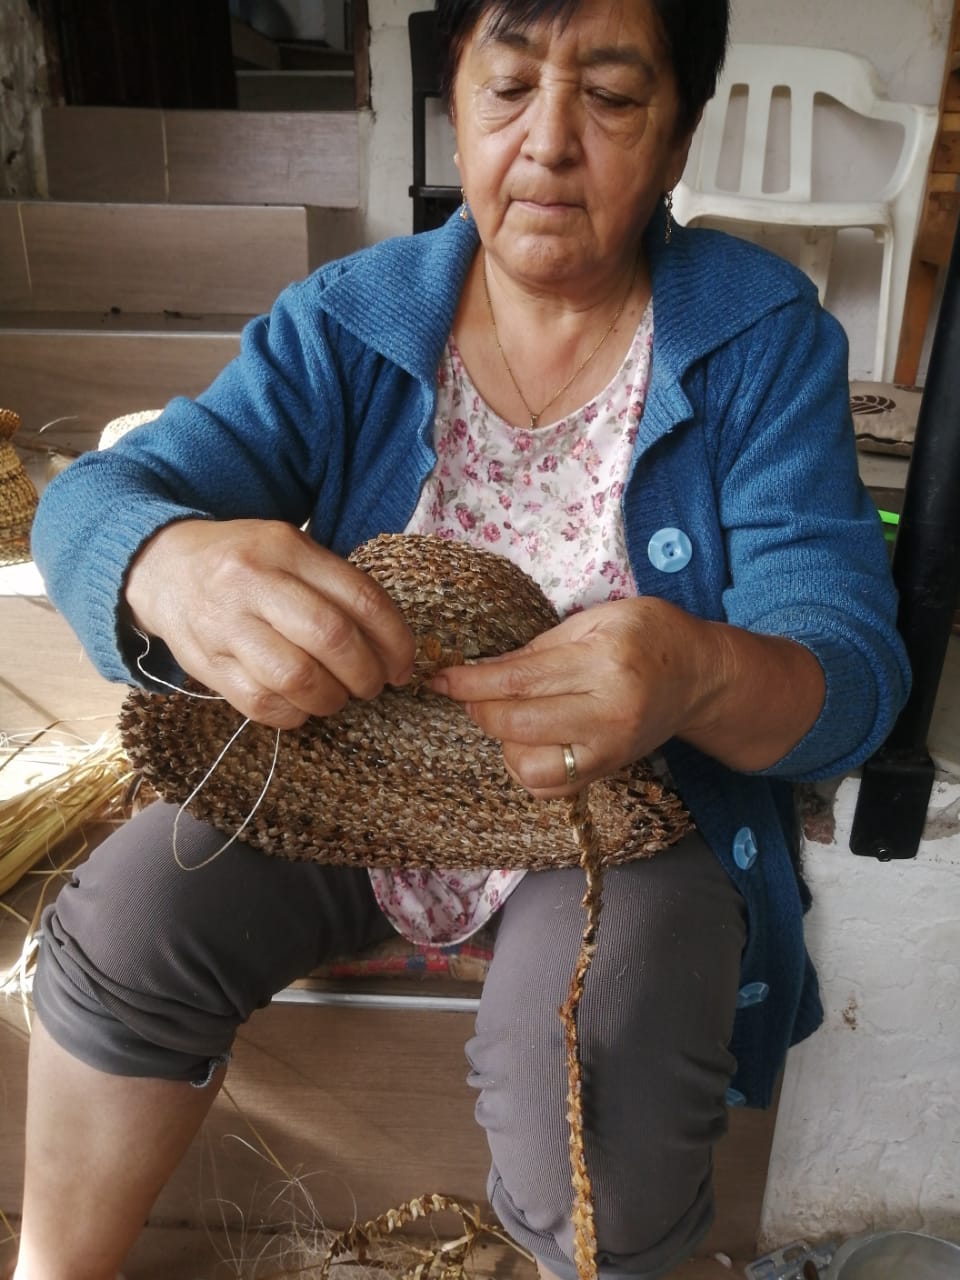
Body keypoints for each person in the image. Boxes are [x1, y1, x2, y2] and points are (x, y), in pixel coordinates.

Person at [18, 0, 910, 1276]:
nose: (547, 141)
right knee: (132, 914)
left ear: (677, 138)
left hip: (623, 806)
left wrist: (695, 668)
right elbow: (95, 499)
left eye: (612, 95)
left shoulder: (759, 335)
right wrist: (166, 564)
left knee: (593, 1046)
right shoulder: (351, 317)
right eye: (508, 87)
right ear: (456, 108)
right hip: (354, 775)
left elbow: (849, 666)